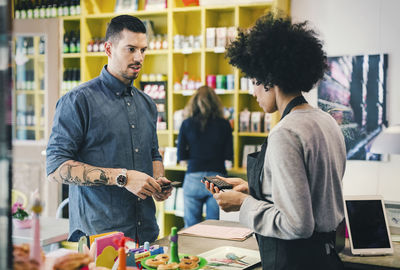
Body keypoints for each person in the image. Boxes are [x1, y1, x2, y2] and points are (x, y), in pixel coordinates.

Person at [204, 12, 346, 270]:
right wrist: (254, 189)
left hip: (296, 261)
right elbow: (313, 192)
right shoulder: (327, 122)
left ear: (270, 79)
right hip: (328, 258)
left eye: (254, 81)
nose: (253, 91)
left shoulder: (285, 133)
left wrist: (243, 204)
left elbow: (297, 224)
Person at [46, 15, 172, 244]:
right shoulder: (78, 101)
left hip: (146, 234)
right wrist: (123, 177)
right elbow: (55, 167)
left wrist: (158, 182)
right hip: (100, 237)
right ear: (108, 48)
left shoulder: (147, 104)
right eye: (131, 49)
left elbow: (153, 154)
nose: (139, 57)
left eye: (143, 50)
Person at [177, 85, 233, 227]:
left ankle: (191, 250)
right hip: (217, 178)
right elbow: (229, 154)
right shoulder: (224, 124)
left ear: (194, 102)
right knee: (215, 227)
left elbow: (181, 155)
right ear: (216, 103)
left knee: (191, 226)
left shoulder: (186, 123)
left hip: (193, 177)